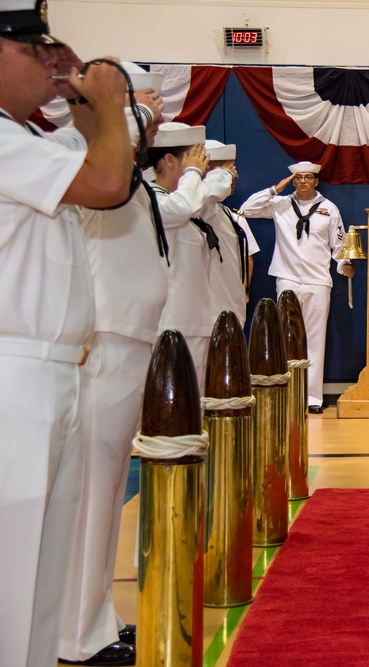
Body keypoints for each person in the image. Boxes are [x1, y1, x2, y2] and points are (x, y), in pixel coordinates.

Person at [0, 1, 134, 664]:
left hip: (50, 372)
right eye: (34, 52)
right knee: (13, 565)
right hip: (14, 375)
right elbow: (109, 179)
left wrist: (82, 96)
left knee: (42, 575)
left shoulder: (20, 138)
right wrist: (109, 101)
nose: (50, 65)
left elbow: (85, 152)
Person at [58, 63, 169, 667]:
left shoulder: (125, 171)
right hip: (106, 341)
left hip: (128, 342)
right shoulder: (95, 164)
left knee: (102, 493)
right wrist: (131, 107)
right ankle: (78, 633)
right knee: (94, 495)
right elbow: (116, 151)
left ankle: (92, 618)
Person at [241, 162, 355, 414]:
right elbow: (246, 209)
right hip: (287, 279)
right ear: (293, 181)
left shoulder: (328, 208)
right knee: (285, 338)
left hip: (317, 281)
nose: (303, 181)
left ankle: (313, 397)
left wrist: (344, 266)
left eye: (308, 177)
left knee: (315, 339)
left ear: (316, 181)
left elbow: (338, 246)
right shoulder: (281, 204)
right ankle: (287, 393)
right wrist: (275, 189)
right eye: (298, 177)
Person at [147, 122, 216, 390]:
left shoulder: (184, 202)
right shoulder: (151, 199)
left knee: (193, 410)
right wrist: (192, 174)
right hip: (168, 324)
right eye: (194, 158)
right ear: (169, 160)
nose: (202, 166)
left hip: (194, 321)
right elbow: (181, 208)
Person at [202, 139, 259, 328]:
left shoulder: (224, 212)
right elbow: (208, 193)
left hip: (231, 308)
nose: (235, 176)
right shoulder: (200, 208)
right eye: (227, 170)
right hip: (210, 313)